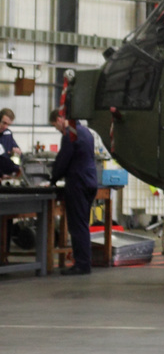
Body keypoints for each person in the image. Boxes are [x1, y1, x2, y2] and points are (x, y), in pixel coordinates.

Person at [50, 108, 98, 275]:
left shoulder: (70, 134)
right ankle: (84, 262)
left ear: (59, 119)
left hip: (78, 183)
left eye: (56, 126)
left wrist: (52, 179)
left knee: (77, 226)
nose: (58, 129)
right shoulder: (87, 132)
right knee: (83, 224)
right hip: (91, 181)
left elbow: (63, 160)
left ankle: (82, 265)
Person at [0, 107, 20, 180]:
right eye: (4, 123)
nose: (5, 127)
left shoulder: (7, 134)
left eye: (8, 124)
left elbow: (16, 150)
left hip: (8, 174)